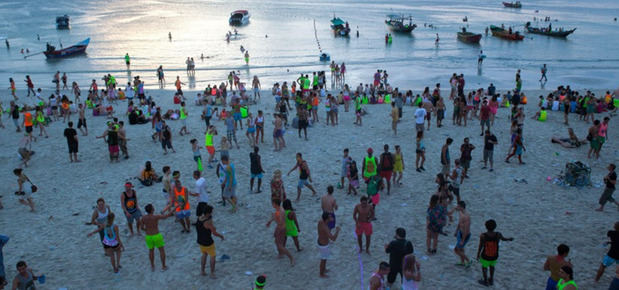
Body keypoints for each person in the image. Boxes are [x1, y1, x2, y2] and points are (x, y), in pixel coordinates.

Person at [476, 219, 514, 286]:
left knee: (484, 267)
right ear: (495, 226)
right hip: (494, 255)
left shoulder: (483, 236)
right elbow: (504, 239)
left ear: (486, 227)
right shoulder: (498, 234)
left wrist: (478, 255)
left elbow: (480, 246)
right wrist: (509, 239)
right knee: (492, 266)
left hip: (485, 256)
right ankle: (491, 279)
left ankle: (485, 281)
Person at [195, 202, 224, 277]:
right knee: (213, 256)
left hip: (200, 241)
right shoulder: (207, 222)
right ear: (208, 213)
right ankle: (212, 273)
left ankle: (202, 271)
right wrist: (221, 236)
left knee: (204, 254)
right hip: (208, 242)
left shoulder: (199, 218)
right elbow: (214, 232)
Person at [141, 204, 173, 271]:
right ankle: (163, 266)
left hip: (148, 236)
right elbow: (166, 216)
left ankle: (152, 266)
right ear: (152, 210)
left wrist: (146, 230)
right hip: (156, 235)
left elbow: (142, 228)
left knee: (151, 251)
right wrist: (175, 208)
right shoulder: (155, 217)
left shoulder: (143, 218)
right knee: (161, 251)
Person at [266, 199, 295, 265]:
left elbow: (280, 222)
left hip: (281, 229)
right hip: (279, 228)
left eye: (272, 203)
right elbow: (275, 217)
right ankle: (280, 254)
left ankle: (291, 258)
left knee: (280, 246)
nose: (272, 205)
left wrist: (274, 217)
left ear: (275, 204)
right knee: (276, 241)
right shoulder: (278, 209)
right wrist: (270, 221)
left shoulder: (281, 211)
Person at [317, 212, 341, 277]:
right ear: (327, 219)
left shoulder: (321, 221)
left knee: (324, 258)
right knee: (323, 259)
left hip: (320, 242)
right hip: (323, 245)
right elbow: (333, 238)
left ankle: (324, 269)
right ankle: (321, 274)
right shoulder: (325, 227)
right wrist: (337, 231)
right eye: (330, 217)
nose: (331, 217)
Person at [450, 201, 472, 267]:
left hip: (464, 235)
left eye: (458, 206)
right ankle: (462, 262)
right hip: (460, 233)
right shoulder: (460, 213)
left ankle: (468, 260)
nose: (456, 207)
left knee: (456, 250)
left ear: (461, 207)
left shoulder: (466, 217)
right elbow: (460, 223)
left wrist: (463, 240)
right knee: (461, 249)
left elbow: (466, 229)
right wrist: (456, 231)